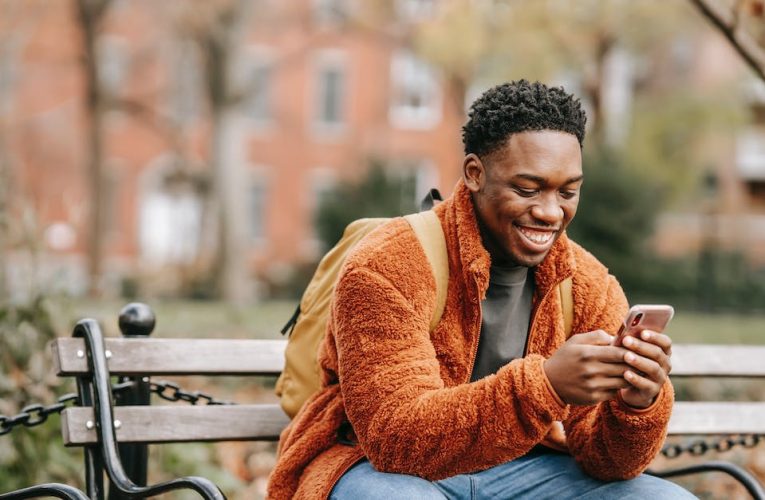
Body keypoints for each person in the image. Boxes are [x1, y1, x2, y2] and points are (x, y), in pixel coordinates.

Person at [267, 80, 695, 499]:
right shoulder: (387, 263)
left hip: (526, 470)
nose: (550, 212)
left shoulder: (587, 284)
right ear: (475, 173)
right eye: (527, 189)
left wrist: (637, 403)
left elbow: (609, 464)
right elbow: (394, 441)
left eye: (568, 191)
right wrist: (545, 385)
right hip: (374, 468)